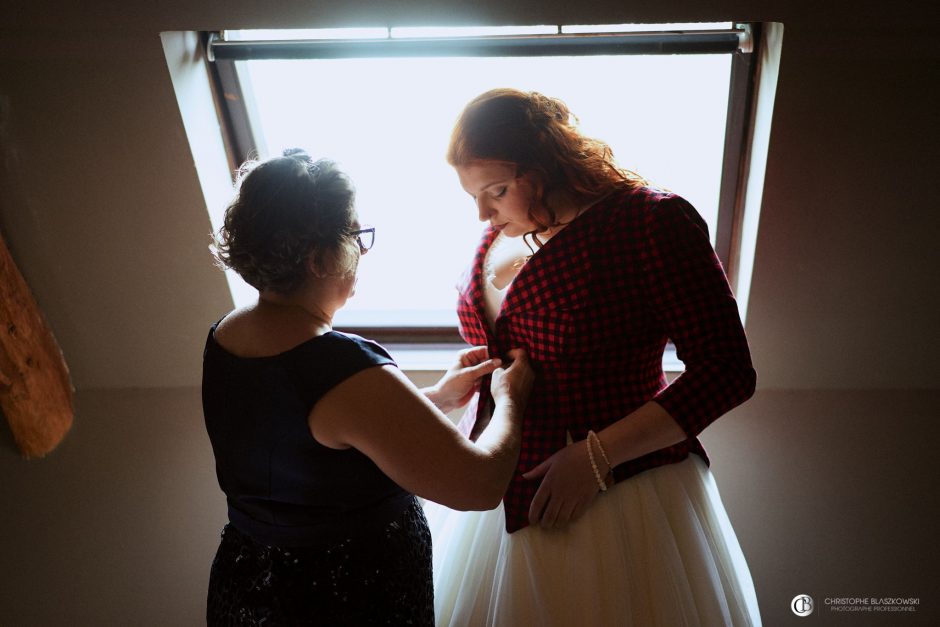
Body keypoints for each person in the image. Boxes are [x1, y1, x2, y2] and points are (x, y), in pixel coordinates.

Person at [423, 88, 762, 626]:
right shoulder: (504, 230)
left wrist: (596, 457)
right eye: (475, 195)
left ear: (546, 163)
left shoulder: (652, 222)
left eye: (497, 190)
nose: (483, 212)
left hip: (619, 493)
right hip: (498, 483)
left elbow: (727, 371)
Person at [201, 148, 534, 626]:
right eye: (356, 236)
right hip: (343, 597)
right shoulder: (338, 364)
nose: (360, 250)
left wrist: (434, 399)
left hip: (249, 583)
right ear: (319, 258)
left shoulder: (227, 334)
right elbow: (479, 485)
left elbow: (310, 440)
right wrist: (510, 401)